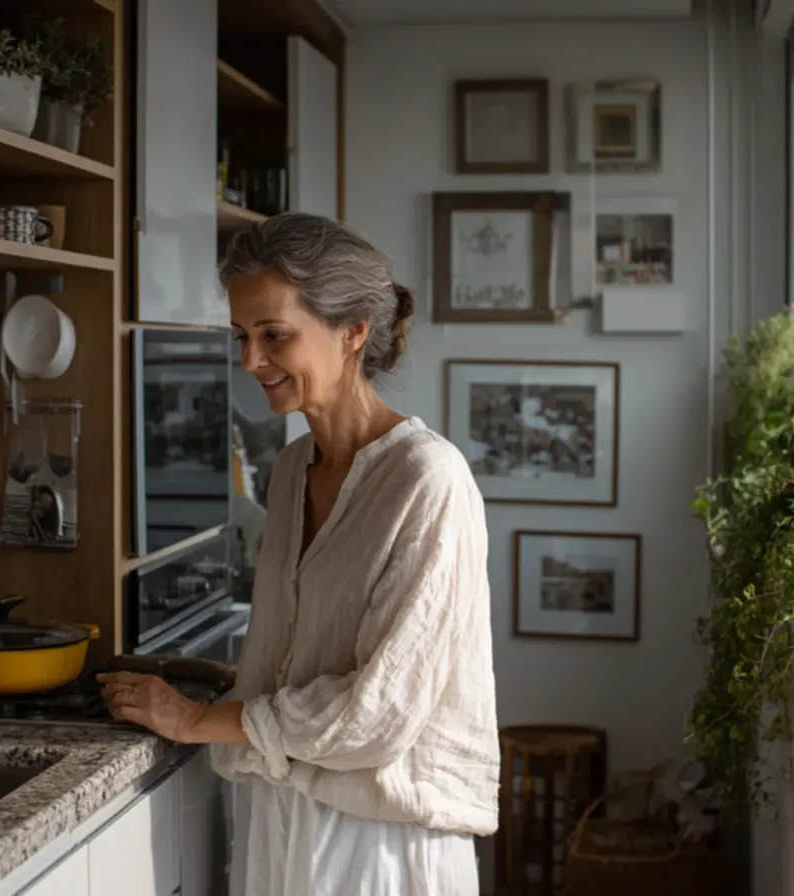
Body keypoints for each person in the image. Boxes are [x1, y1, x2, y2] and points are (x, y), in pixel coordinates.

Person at [98, 212, 499, 895]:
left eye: (274, 335)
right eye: (242, 337)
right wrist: (210, 679)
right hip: (276, 814)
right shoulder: (291, 470)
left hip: (381, 842)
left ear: (352, 332)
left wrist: (195, 718)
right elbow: (305, 648)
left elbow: (380, 714)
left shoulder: (427, 479)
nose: (250, 361)